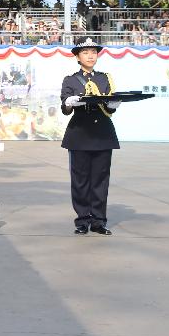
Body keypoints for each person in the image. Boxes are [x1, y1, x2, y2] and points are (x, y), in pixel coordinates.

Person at [60, 36, 120, 236]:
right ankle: (82, 220)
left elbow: (110, 107)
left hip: (103, 133)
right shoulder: (70, 80)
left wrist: (113, 104)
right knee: (80, 179)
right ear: (77, 56)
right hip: (80, 134)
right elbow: (65, 108)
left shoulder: (104, 78)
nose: (90, 55)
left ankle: (98, 221)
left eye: (94, 52)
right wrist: (70, 102)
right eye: (85, 52)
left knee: (101, 179)